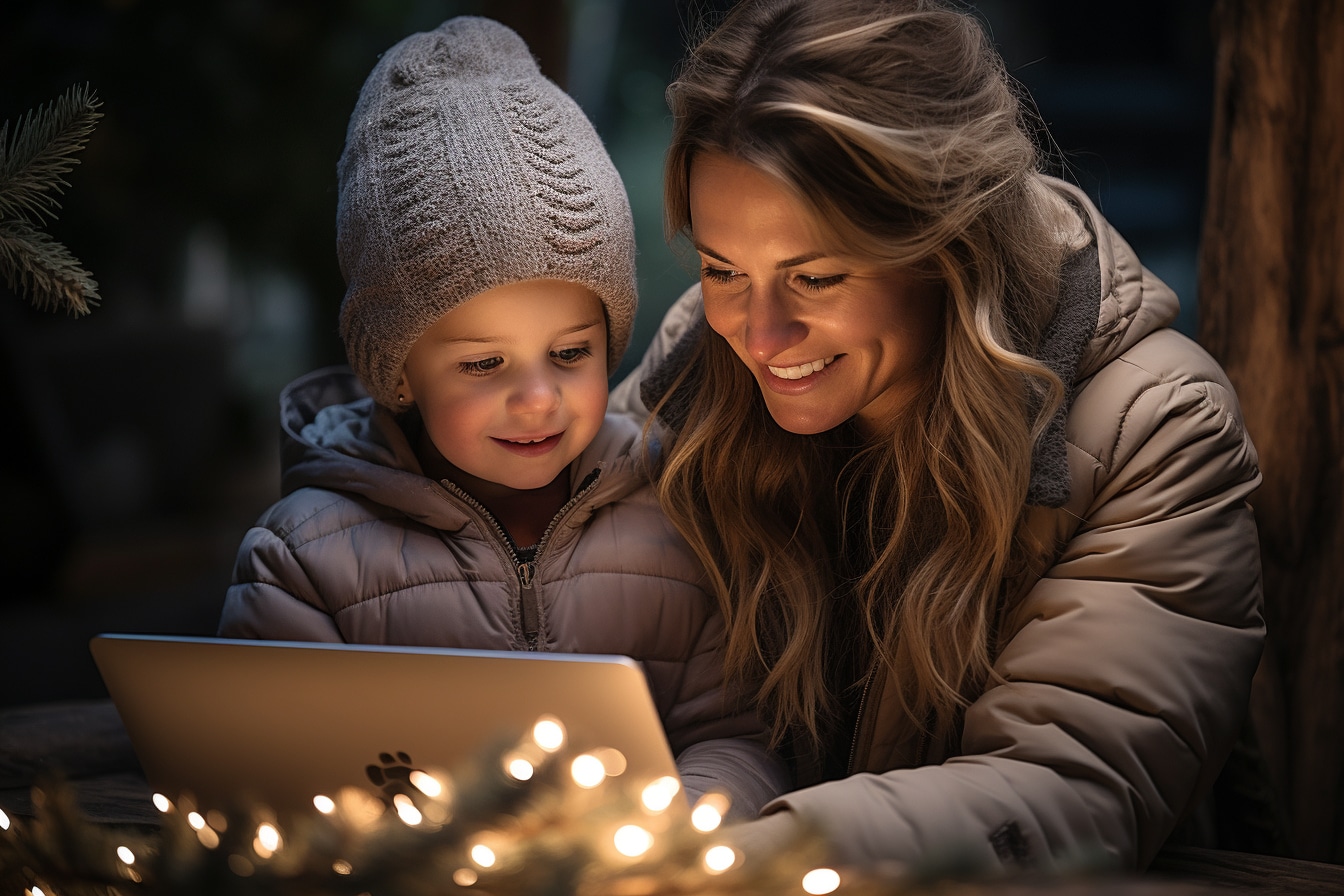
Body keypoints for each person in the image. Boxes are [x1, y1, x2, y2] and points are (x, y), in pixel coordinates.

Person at [610, 0, 1265, 872]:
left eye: (817, 276)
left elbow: (1067, 790)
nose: (758, 335)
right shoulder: (698, 364)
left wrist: (721, 862)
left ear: (949, 244)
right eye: (723, 268)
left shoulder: (1159, 428)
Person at [219, 16, 787, 817]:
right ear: (399, 370)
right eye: (484, 364)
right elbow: (256, 775)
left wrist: (683, 832)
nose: (538, 399)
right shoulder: (306, 560)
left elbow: (735, 734)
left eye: (571, 354)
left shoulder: (672, 516)